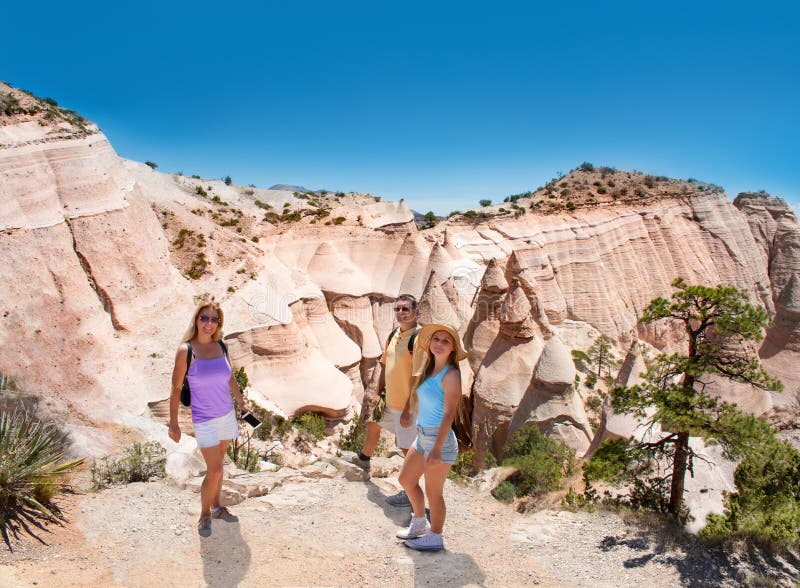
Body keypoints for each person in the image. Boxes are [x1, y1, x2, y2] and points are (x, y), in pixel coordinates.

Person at [168, 301, 250, 535]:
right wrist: (173, 423)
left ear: (219, 324)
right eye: (205, 318)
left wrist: (241, 401)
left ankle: (216, 507)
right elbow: (175, 388)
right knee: (213, 470)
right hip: (204, 419)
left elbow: (230, 377)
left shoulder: (221, 346)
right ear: (196, 319)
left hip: (225, 414)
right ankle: (204, 514)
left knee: (220, 464)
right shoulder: (187, 350)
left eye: (214, 320)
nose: (209, 324)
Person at [396, 323, 466, 552]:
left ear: (453, 349)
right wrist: (408, 412)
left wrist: (436, 449)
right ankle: (419, 523)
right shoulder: (430, 368)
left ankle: (436, 536)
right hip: (423, 435)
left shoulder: (452, 375)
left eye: (445, 341)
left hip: (440, 441)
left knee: (434, 493)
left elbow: (448, 414)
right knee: (406, 479)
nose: (439, 344)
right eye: (436, 339)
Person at [351, 294, 421, 507]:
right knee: (373, 425)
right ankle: (364, 460)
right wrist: (376, 391)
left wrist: (409, 409)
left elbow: (419, 376)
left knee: (406, 449)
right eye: (398, 309)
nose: (401, 313)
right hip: (388, 399)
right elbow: (384, 364)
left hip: (406, 405)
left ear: (415, 312)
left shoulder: (418, 340)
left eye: (405, 309)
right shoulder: (394, 335)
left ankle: (410, 492)